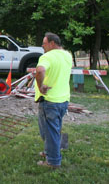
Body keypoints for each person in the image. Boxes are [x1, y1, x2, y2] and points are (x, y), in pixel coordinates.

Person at [35, 32, 72, 169]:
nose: (42, 46)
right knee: (50, 129)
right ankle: (49, 151)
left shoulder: (47, 56)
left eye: (44, 43)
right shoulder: (68, 55)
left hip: (50, 101)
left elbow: (39, 71)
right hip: (63, 100)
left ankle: (53, 161)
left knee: (50, 131)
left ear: (52, 43)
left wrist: (40, 86)